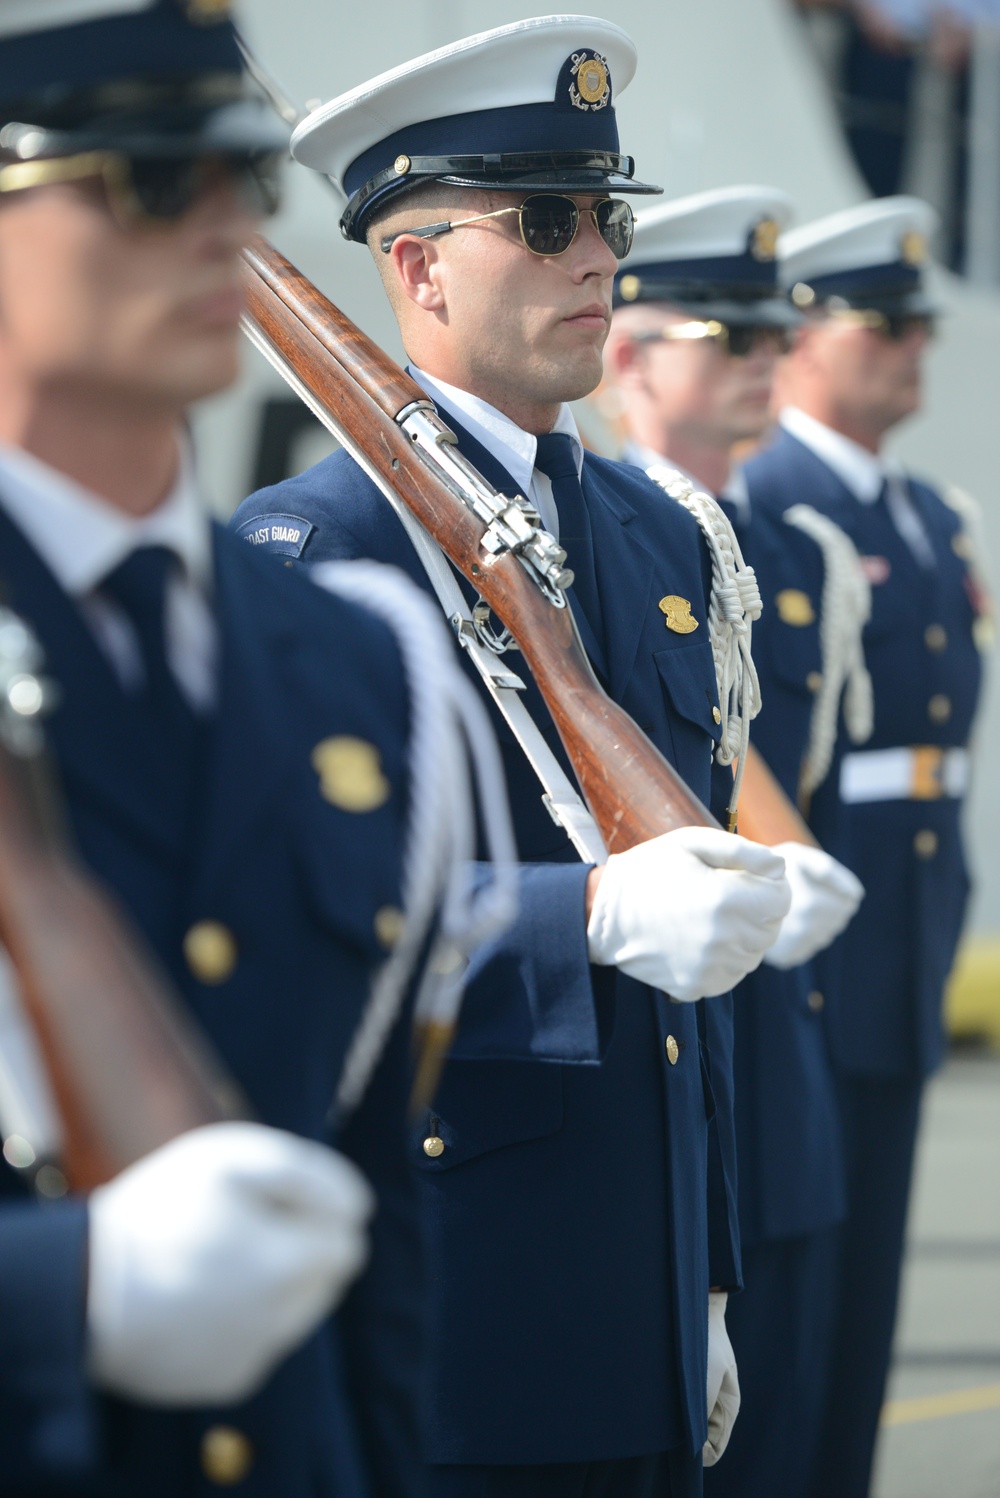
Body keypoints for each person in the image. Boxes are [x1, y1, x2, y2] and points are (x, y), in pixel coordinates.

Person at [234, 17, 796, 1497]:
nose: (598, 258)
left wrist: (712, 1276)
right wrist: (586, 919)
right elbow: (300, 926)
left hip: (653, 1308)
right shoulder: (306, 556)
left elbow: (704, 952)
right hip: (460, 1329)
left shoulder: (662, 535)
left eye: (607, 217)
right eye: (544, 223)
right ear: (413, 266)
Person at [0, 3, 488, 1493]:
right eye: (153, 179)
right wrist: (56, 1295)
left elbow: (376, 1236)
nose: (226, 230)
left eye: (245, 179)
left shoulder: (373, 667)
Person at [602, 186, 869, 1498]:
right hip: (673, 1035)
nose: (766, 364)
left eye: (776, 340)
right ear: (629, 354)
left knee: (811, 1432)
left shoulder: (791, 551)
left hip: (787, 1040)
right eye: (728, 337)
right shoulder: (597, 544)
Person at [745, 194, 988, 1498]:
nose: (911, 350)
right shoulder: (767, 507)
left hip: (901, 950)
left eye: (918, 327)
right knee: (787, 1332)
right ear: (802, 335)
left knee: (858, 1338)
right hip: (811, 962)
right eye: (882, 325)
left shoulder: (926, 519)